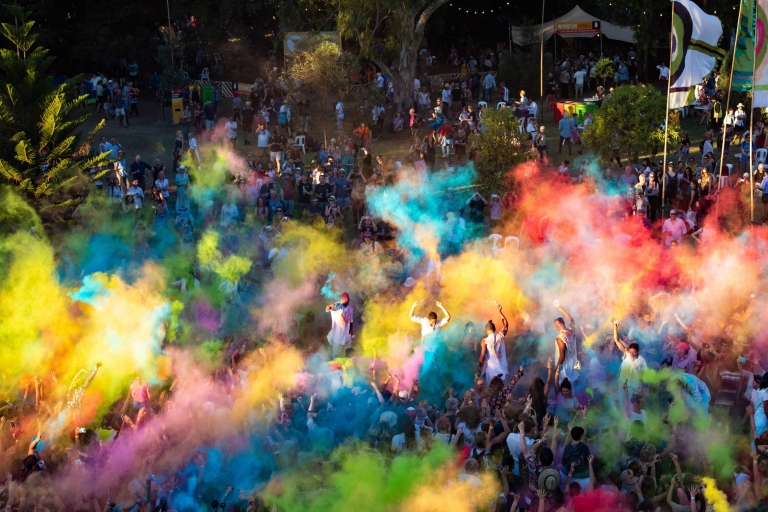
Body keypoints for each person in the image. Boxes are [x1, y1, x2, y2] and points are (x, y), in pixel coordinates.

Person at [477, 303, 509, 385]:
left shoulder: (485, 341)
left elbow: (482, 356)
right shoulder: (500, 336)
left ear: (486, 330)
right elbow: (505, 324)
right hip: (502, 369)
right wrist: (500, 312)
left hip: (491, 370)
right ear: (495, 329)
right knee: (501, 390)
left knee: (492, 390)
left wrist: (480, 366)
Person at [553, 303, 579, 385]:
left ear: (557, 326)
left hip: (564, 369)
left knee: (564, 389)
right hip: (573, 365)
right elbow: (571, 320)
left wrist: (557, 369)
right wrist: (561, 309)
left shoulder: (560, 338)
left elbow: (562, 356)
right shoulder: (571, 331)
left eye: (556, 325)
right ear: (564, 322)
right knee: (571, 388)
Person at [325, 292, 354, 358]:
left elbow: (351, 320)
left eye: (347, 298)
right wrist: (329, 306)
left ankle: (348, 366)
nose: (347, 300)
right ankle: (337, 367)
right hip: (338, 336)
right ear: (341, 299)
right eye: (345, 298)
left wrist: (351, 330)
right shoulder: (336, 306)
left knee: (349, 353)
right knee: (336, 356)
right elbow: (327, 309)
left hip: (347, 335)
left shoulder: (350, 307)